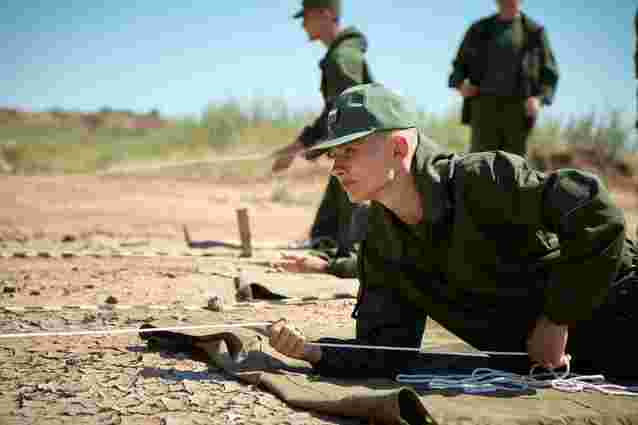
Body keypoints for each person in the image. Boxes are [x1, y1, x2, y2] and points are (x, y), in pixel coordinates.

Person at [267, 83, 638, 380]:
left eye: (349, 150)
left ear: (398, 148)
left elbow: (594, 209)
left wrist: (557, 318)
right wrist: (313, 352)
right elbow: (386, 350)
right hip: (579, 367)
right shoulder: (381, 238)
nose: (337, 167)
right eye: (334, 155)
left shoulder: (482, 179)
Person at [271, 0, 372, 263]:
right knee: (327, 231)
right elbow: (333, 111)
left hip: (363, 152)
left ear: (326, 15)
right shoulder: (338, 56)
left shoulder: (342, 58)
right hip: (355, 150)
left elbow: (355, 113)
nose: (303, 23)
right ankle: (326, 243)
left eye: (307, 16)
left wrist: (322, 147)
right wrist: (298, 147)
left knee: (350, 245)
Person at [448, 0, 559, 156]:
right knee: (479, 166)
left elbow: (549, 73)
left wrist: (539, 99)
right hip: (484, 109)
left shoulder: (534, 32)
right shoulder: (479, 29)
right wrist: (461, 85)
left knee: (515, 169)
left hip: (518, 112)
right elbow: (459, 65)